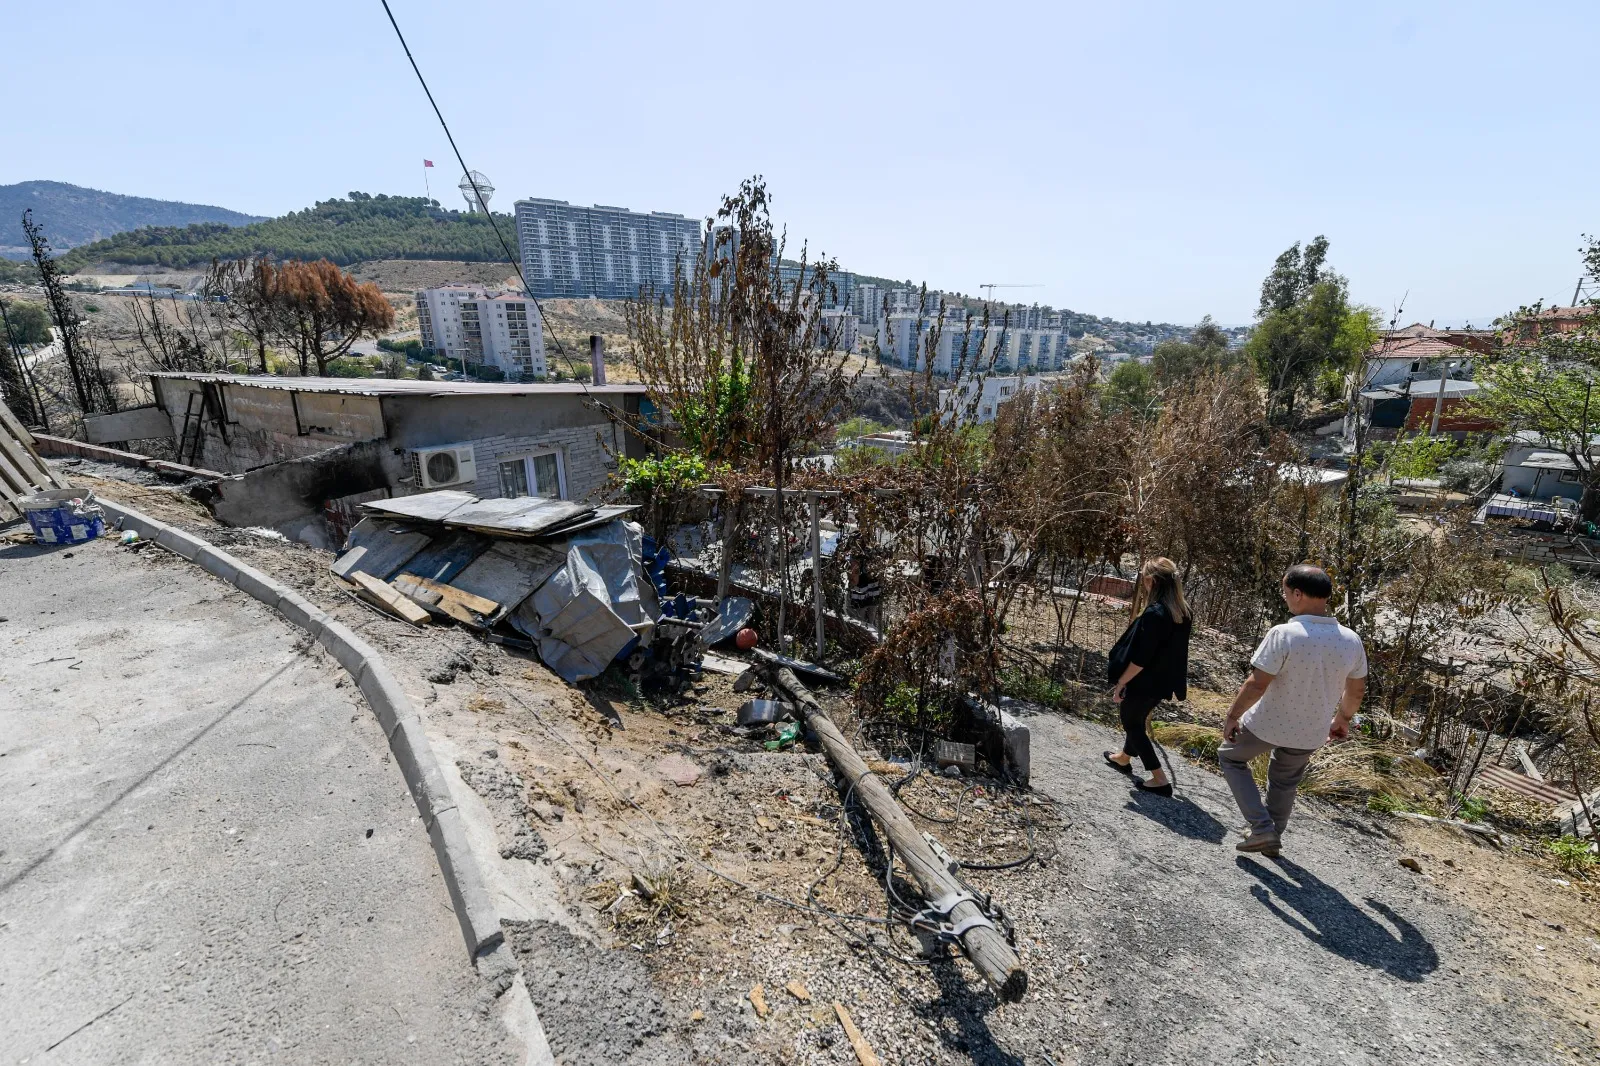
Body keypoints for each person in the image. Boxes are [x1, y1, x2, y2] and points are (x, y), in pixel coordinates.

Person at [1220, 564, 1367, 857]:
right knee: (1285, 781)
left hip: (1268, 722)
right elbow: (1357, 689)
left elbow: (1257, 683)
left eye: (1286, 592)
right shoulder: (1351, 640)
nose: (1285, 597)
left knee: (1230, 758)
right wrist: (1342, 719)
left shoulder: (1285, 633)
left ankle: (1261, 828)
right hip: (1311, 730)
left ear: (1298, 594)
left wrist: (1233, 715)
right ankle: (1271, 836)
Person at [1103, 558, 1192, 797]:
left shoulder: (1155, 613)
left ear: (1152, 580)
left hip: (1143, 680)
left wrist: (1122, 681)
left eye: (1143, 577)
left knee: (1131, 723)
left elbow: (1141, 658)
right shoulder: (1183, 613)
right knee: (1138, 719)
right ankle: (1124, 758)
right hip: (1163, 681)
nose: (1142, 582)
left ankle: (1159, 778)